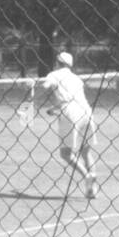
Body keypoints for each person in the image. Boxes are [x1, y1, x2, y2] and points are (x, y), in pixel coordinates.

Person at [22, 51, 98, 201]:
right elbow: (70, 99)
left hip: (70, 113)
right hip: (87, 112)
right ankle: (92, 189)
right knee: (86, 151)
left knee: (66, 154)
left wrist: (31, 89)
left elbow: (46, 88)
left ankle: (87, 176)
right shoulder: (76, 79)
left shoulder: (54, 75)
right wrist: (54, 109)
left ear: (58, 62)